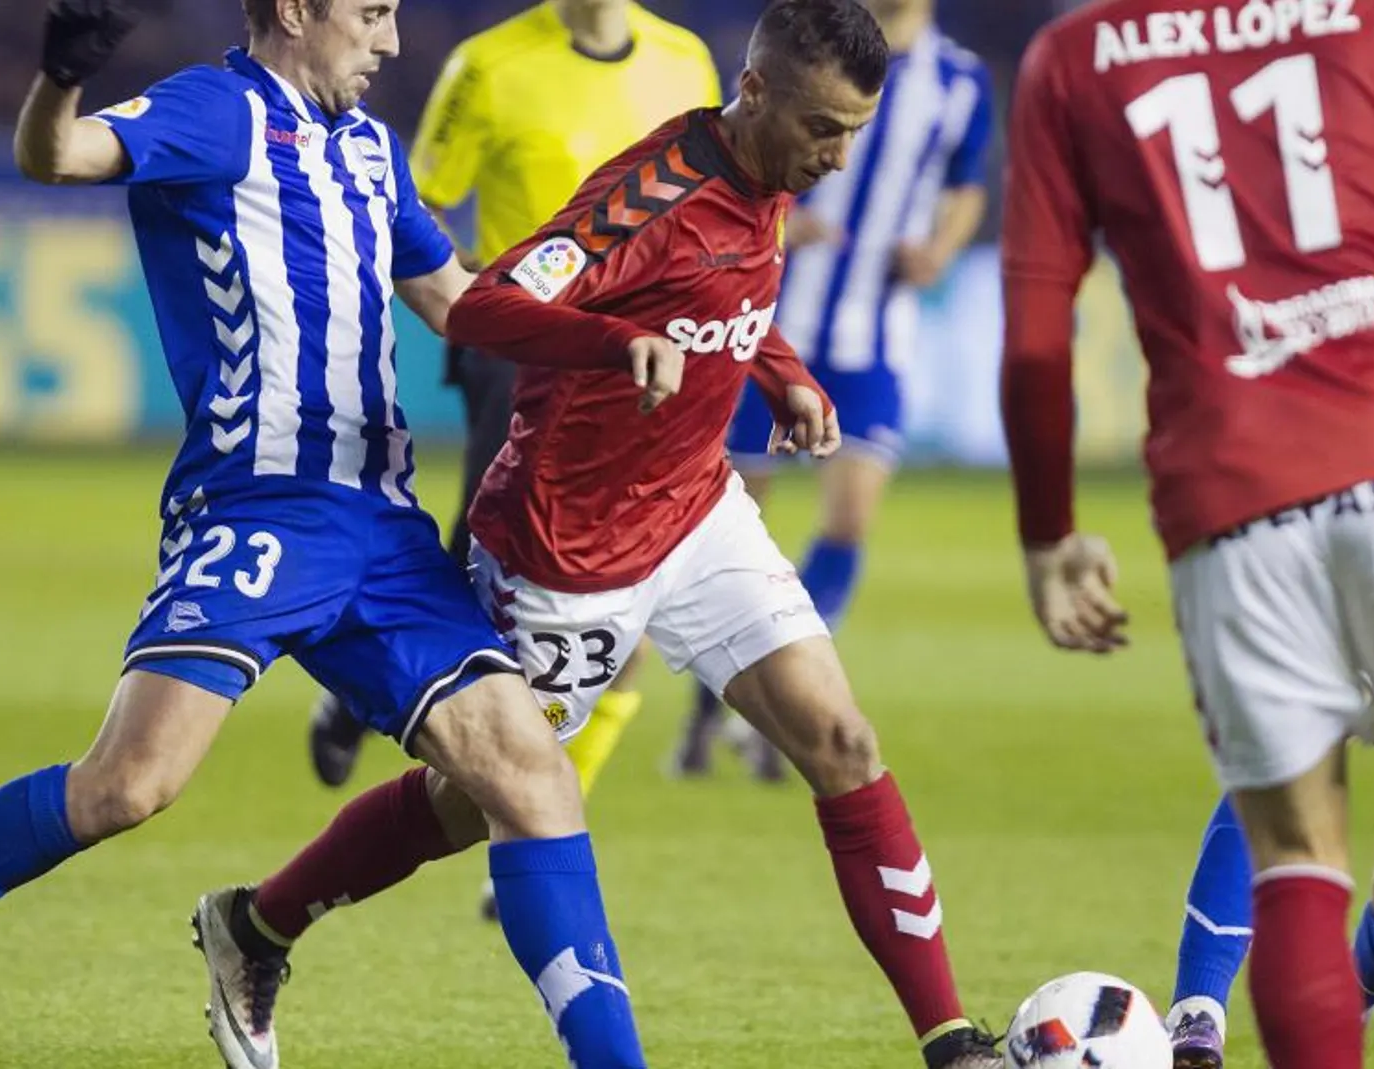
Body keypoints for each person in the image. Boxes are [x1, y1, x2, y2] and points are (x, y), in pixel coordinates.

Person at [0, 3, 653, 1069]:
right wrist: (59, 76)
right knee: (125, 787)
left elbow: (457, 301)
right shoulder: (213, 113)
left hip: (382, 530)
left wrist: (611, 341)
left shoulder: (370, 151)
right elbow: (58, 157)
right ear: (295, 9)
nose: (392, 42)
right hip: (256, 512)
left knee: (532, 777)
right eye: (370, 13)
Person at [192, 3, 1005, 1067]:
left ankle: (950, 1040)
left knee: (841, 741)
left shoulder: (767, 171)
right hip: (564, 549)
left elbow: (727, 295)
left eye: (854, 131)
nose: (838, 157)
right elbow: (482, 308)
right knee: (474, 803)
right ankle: (256, 925)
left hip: (698, 510)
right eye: (823, 129)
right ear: (753, 92)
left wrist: (784, 371)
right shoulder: (646, 196)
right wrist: (615, 338)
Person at [999, 0, 1374, 1066]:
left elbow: (1038, 320)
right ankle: (1198, 1020)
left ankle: (1348, 997)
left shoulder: (1074, 56)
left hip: (1352, 510)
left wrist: (1047, 527)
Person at [303, 0, 721, 918]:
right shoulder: (488, 67)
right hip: (520, 352)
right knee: (491, 570)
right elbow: (412, 203)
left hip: (646, 361)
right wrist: (494, 306)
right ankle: (365, 681)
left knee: (637, 596)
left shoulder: (687, 63)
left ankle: (534, 827)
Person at [673, 0, 993, 783]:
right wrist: (778, 212)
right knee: (735, 518)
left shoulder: (961, 82)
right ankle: (718, 702)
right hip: (773, 320)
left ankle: (789, 693)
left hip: (872, 330)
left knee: (850, 516)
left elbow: (966, 186)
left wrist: (942, 251)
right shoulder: (811, 53)